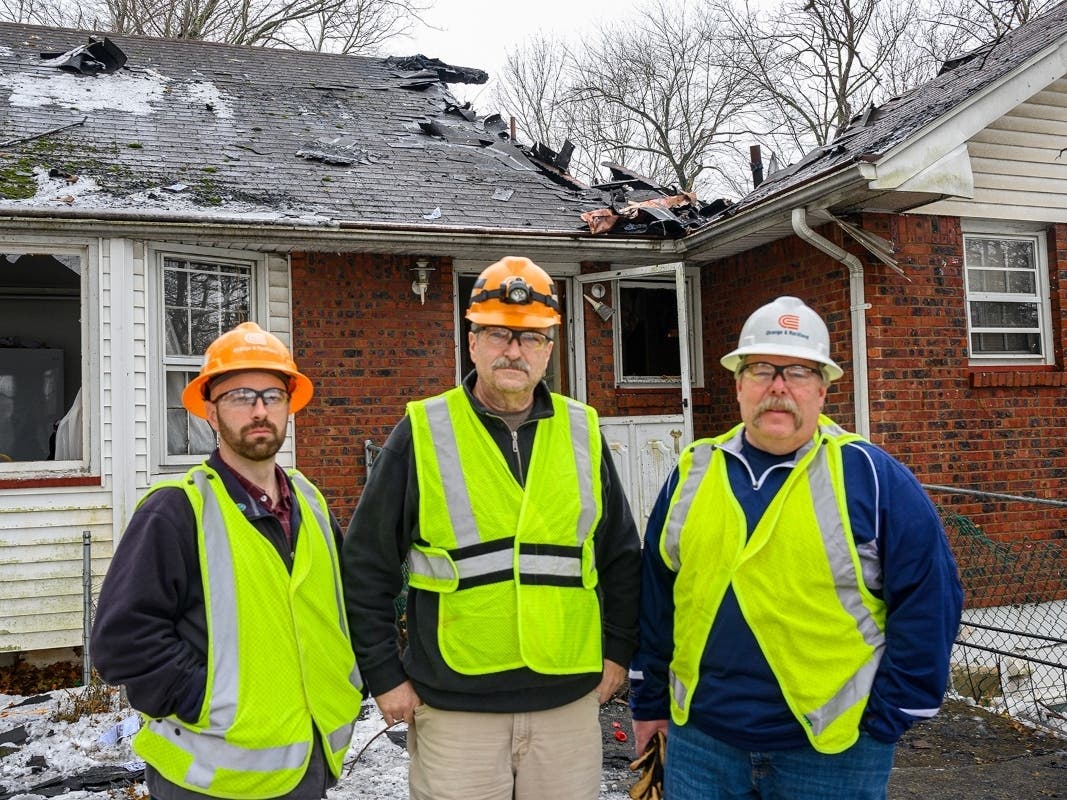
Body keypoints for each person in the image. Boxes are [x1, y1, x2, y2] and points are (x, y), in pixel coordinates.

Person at [629, 296, 964, 800]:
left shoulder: (872, 477)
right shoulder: (692, 473)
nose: (779, 387)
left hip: (833, 751)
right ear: (739, 383)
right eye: (763, 369)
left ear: (823, 390)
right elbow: (656, 595)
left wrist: (892, 714)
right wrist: (649, 701)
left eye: (800, 373)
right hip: (702, 743)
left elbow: (930, 596)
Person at [341, 256, 642, 800]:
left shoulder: (582, 431)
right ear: (472, 340)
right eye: (499, 333)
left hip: (567, 703)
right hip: (457, 709)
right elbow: (366, 563)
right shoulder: (424, 431)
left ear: (549, 348)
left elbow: (620, 554)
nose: (514, 350)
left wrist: (618, 652)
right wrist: (383, 674)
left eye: (530, 338)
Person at [91, 321, 363, 800]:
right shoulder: (175, 510)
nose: (259, 410)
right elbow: (123, 642)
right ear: (210, 413)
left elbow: (333, 616)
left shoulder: (311, 502)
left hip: (307, 764)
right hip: (210, 777)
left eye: (272, 395)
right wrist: (209, 703)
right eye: (240, 396)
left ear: (289, 406)